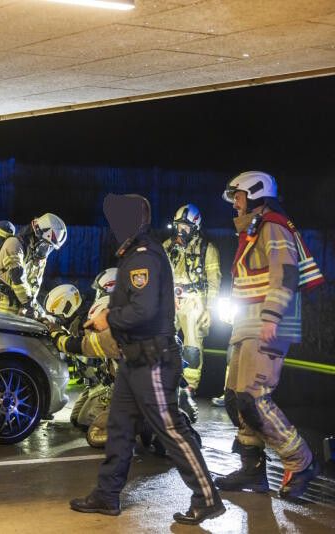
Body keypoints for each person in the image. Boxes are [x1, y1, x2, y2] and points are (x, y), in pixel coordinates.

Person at [70, 193, 224, 525]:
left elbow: (143, 309)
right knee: (119, 427)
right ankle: (107, 495)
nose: (114, 225)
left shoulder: (144, 256)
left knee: (170, 429)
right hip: (134, 359)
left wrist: (108, 318)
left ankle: (207, 498)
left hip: (152, 360)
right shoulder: (135, 253)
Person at [215, 171, 323, 499]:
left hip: (269, 322)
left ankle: (301, 461)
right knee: (236, 399)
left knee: (253, 397)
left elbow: (285, 273)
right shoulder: (254, 229)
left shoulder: (272, 226)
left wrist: (272, 315)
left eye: (238, 197)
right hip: (248, 323)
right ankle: (252, 469)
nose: (235, 203)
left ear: (255, 194)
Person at [163, 204, 221, 420]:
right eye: (178, 226)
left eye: (185, 227)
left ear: (195, 227)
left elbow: (214, 282)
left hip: (195, 300)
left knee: (192, 347)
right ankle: (162, 382)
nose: (181, 231)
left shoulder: (207, 249)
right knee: (161, 340)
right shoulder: (167, 246)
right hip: (170, 299)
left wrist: (210, 309)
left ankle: (188, 389)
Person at [0, 213, 66, 317]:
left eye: (50, 248)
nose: (47, 251)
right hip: (1, 310)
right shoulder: (14, 244)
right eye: (46, 245)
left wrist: (42, 314)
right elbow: (17, 277)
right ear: (37, 234)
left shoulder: (35, 258)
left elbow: (32, 289)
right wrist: (29, 305)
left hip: (18, 314)